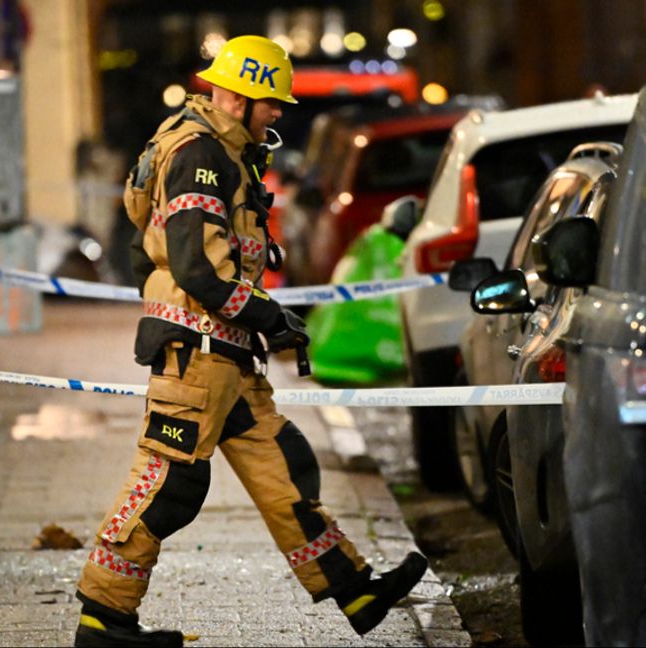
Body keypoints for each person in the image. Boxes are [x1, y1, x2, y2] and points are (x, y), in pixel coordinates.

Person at [72, 35, 428, 647]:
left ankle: (356, 589)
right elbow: (199, 269)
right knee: (168, 485)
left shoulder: (205, 148)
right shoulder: (200, 156)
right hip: (199, 355)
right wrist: (269, 316)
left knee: (285, 470)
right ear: (238, 98)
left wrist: (237, 320)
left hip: (223, 355)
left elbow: (142, 249)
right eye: (271, 101)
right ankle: (104, 621)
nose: (279, 113)